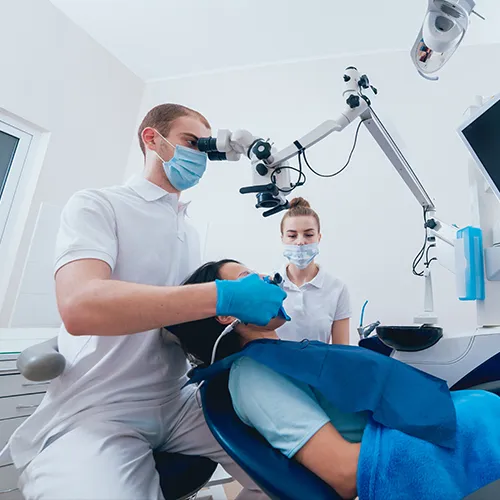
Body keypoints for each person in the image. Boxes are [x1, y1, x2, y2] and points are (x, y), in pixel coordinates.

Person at [8, 104, 286, 500]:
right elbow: (79, 305)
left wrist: (246, 320)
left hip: (177, 399)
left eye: (207, 149)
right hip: (101, 406)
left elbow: (177, 323)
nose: (200, 157)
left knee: (301, 468)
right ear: (152, 140)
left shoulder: (187, 231)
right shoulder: (99, 205)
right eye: (193, 143)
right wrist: (222, 294)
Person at [169, 259, 500, 500]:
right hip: (418, 459)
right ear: (226, 313)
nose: (264, 277)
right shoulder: (253, 377)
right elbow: (343, 473)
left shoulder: (276, 359)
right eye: (247, 277)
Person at [278, 197, 351, 344]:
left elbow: (342, 350)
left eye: (308, 235)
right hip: (271, 367)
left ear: (319, 237)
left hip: (319, 366)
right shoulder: (268, 285)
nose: (300, 242)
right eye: (292, 235)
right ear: (283, 239)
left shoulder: (336, 288)